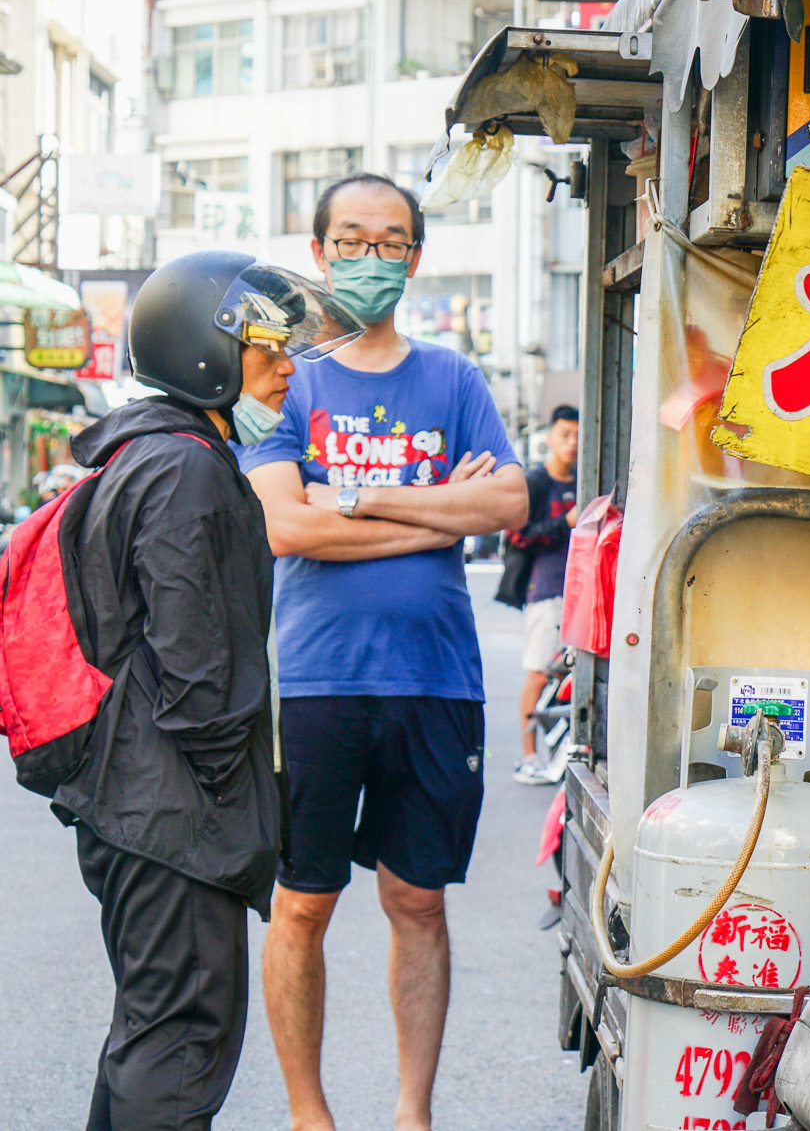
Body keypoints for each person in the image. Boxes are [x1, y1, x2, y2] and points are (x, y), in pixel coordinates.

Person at [241, 172, 528, 1131]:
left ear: (415, 255)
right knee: (304, 904)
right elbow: (285, 525)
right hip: (317, 680)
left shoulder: (453, 378)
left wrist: (355, 498)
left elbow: (505, 505)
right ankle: (307, 1113)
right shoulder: (287, 377)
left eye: (393, 241)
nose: (373, 258)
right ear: (320, 253)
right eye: (353, 241)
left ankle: (413, 1114)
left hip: (436, 680)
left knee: (417, 901)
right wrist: (434, 511)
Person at [53, 250, 362, 1129]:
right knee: (180, 1047)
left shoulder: (148, 455)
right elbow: (200, 676)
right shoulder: (186, 467)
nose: (283, 365)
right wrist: (237, 806)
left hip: (140, 807)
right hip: (175, 821)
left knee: (150, 1036)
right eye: (263, 344)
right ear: (202, 351)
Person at [508, 404, 579, 785]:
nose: (572, 443)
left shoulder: (586, 479)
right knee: (539, 672)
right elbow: (517, 535)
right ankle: (528, 756)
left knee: (567, 675)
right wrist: (562, 523)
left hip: (578, 590)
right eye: (565, 434)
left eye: (578, 435)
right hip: (545, 589)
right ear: (549, 437)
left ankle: (559, 754)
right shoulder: (536, 482)